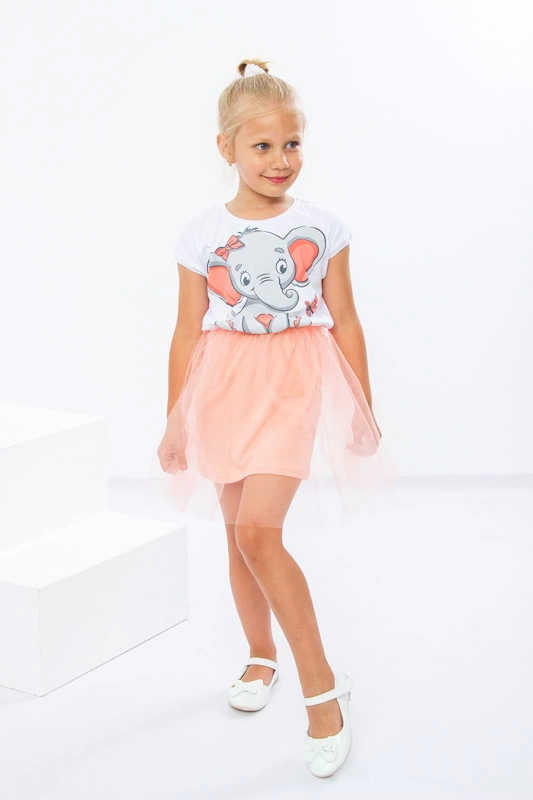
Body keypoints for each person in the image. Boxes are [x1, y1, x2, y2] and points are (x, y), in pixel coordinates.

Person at [145, 58, 399, 778]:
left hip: (292, 381)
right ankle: (261, 656)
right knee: (238, 536)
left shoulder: (322, 226)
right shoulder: (200, 233)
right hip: (221, 384)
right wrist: (174, 417)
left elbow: (344, 317)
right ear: (225, 147)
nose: (279, 159)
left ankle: (323, 691)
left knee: (260, 530)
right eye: (262, 146)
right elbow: (187, 329)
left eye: (291, 144)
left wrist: (363, 404)